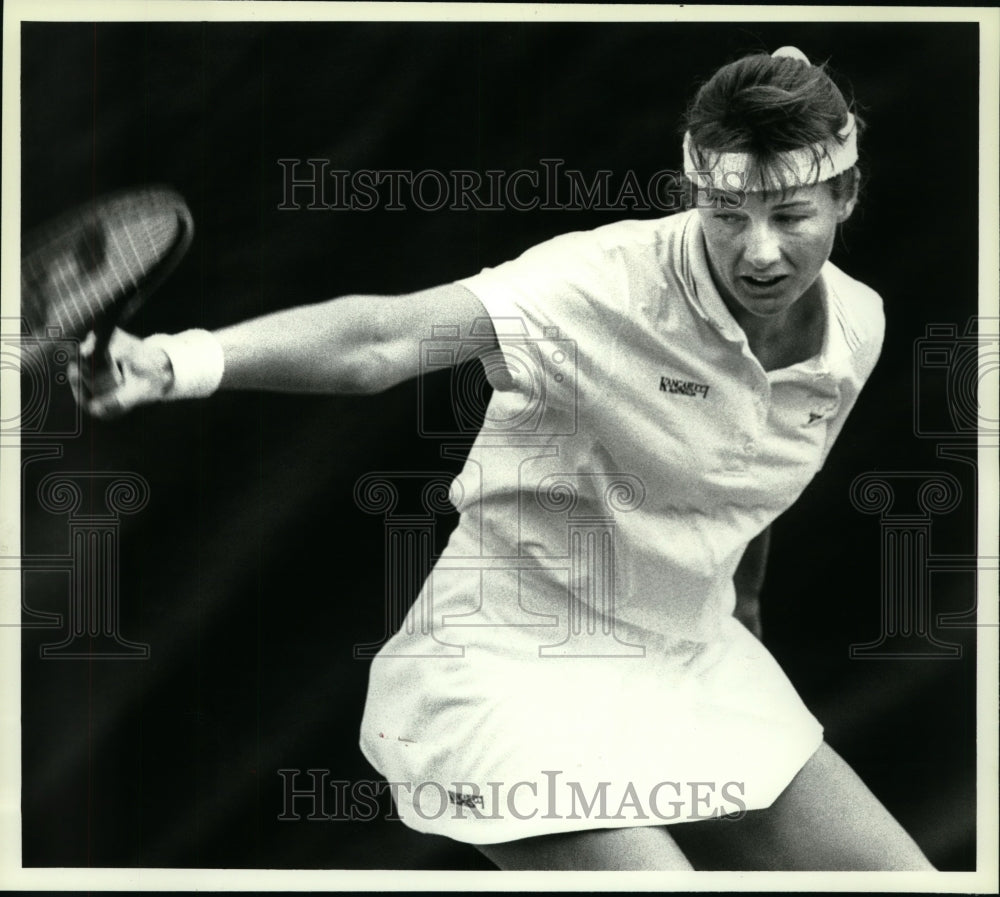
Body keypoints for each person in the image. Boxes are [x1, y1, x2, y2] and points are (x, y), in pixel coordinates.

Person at [71, 47, 935, 871]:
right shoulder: (596, 284)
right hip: (505, 667)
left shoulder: (856, 327)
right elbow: (382, 339)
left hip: (689, 658)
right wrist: (174, 361)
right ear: (691, 193)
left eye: (790, 216)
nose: (758, 251)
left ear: (846, 194)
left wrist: (742, 630)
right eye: (726, 213)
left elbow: (748, 491)